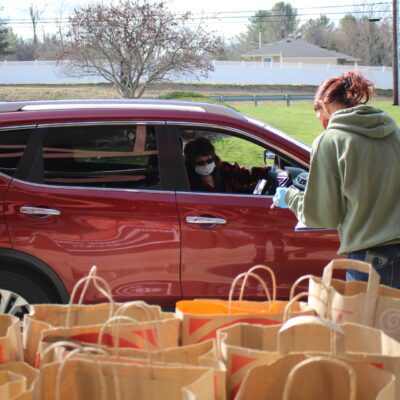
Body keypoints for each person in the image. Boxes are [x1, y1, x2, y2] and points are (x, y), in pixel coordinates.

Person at [272, 71, 400, 288]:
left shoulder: (329, 141)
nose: (318, 118)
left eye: (317, 111)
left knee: (366, 323)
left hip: (372, 263)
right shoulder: (394, 133)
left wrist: (291, 197)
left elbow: (323, 215)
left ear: (324, 105)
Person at [184, 137, 278, 194]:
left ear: (213, 157)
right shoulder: (186, 182)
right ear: (192, 163)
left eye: (209, 160)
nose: (206, 165)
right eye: (200, 163)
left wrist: (270, 172)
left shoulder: (224, 169)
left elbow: (245, 174)